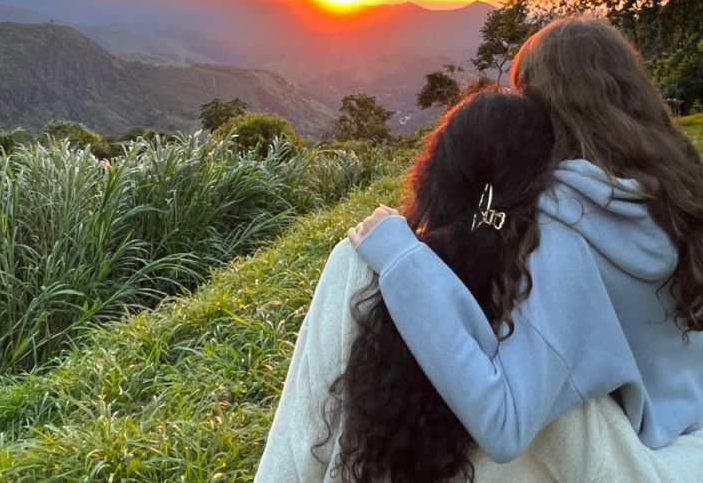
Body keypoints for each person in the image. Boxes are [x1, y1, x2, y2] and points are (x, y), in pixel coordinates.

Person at [254, 77, 703, 480]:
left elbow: (297, 438)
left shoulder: (360, 264)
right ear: (543, 181)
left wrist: (398, 257)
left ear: (437, 173)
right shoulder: (553, 300)